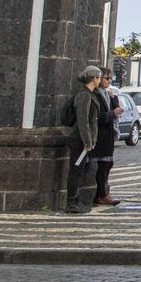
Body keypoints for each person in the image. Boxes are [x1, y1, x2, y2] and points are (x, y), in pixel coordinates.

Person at [62, 65, 106, 214]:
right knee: (75, 171)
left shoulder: (91, 94)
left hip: (84, 140)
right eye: (99, 77)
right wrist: (87, 141)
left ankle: (76, 200)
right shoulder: (84, 95)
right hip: (79, 140)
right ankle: (71, 202)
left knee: (79, 171)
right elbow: (83, 121)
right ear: (94, 78)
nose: (100, 80)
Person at [94, 80, 123, 207]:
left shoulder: (107, 94)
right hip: (101, 135)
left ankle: (103, 193)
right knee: (102, 166)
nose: (109, 80)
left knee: (107, 164)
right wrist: (112, 113)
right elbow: (98, 117)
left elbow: (116, 109)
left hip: (108, 135)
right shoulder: (96, 95)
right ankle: (101, 194)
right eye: (106, 77)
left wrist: (113, 99)